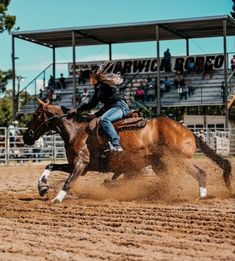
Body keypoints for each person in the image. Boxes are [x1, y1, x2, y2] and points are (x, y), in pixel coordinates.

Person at [73, 63, 130, 153]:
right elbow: (92, 104)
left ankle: (116, 145)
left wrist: (78, 109)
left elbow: (97, 104)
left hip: (120, 106)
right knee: (101, 120)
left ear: (93, 76)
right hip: (114, 107)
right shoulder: (98, 88)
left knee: (105, 119)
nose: (89, 80)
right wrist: (94, 113)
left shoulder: (104, 85)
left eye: (89, 78)